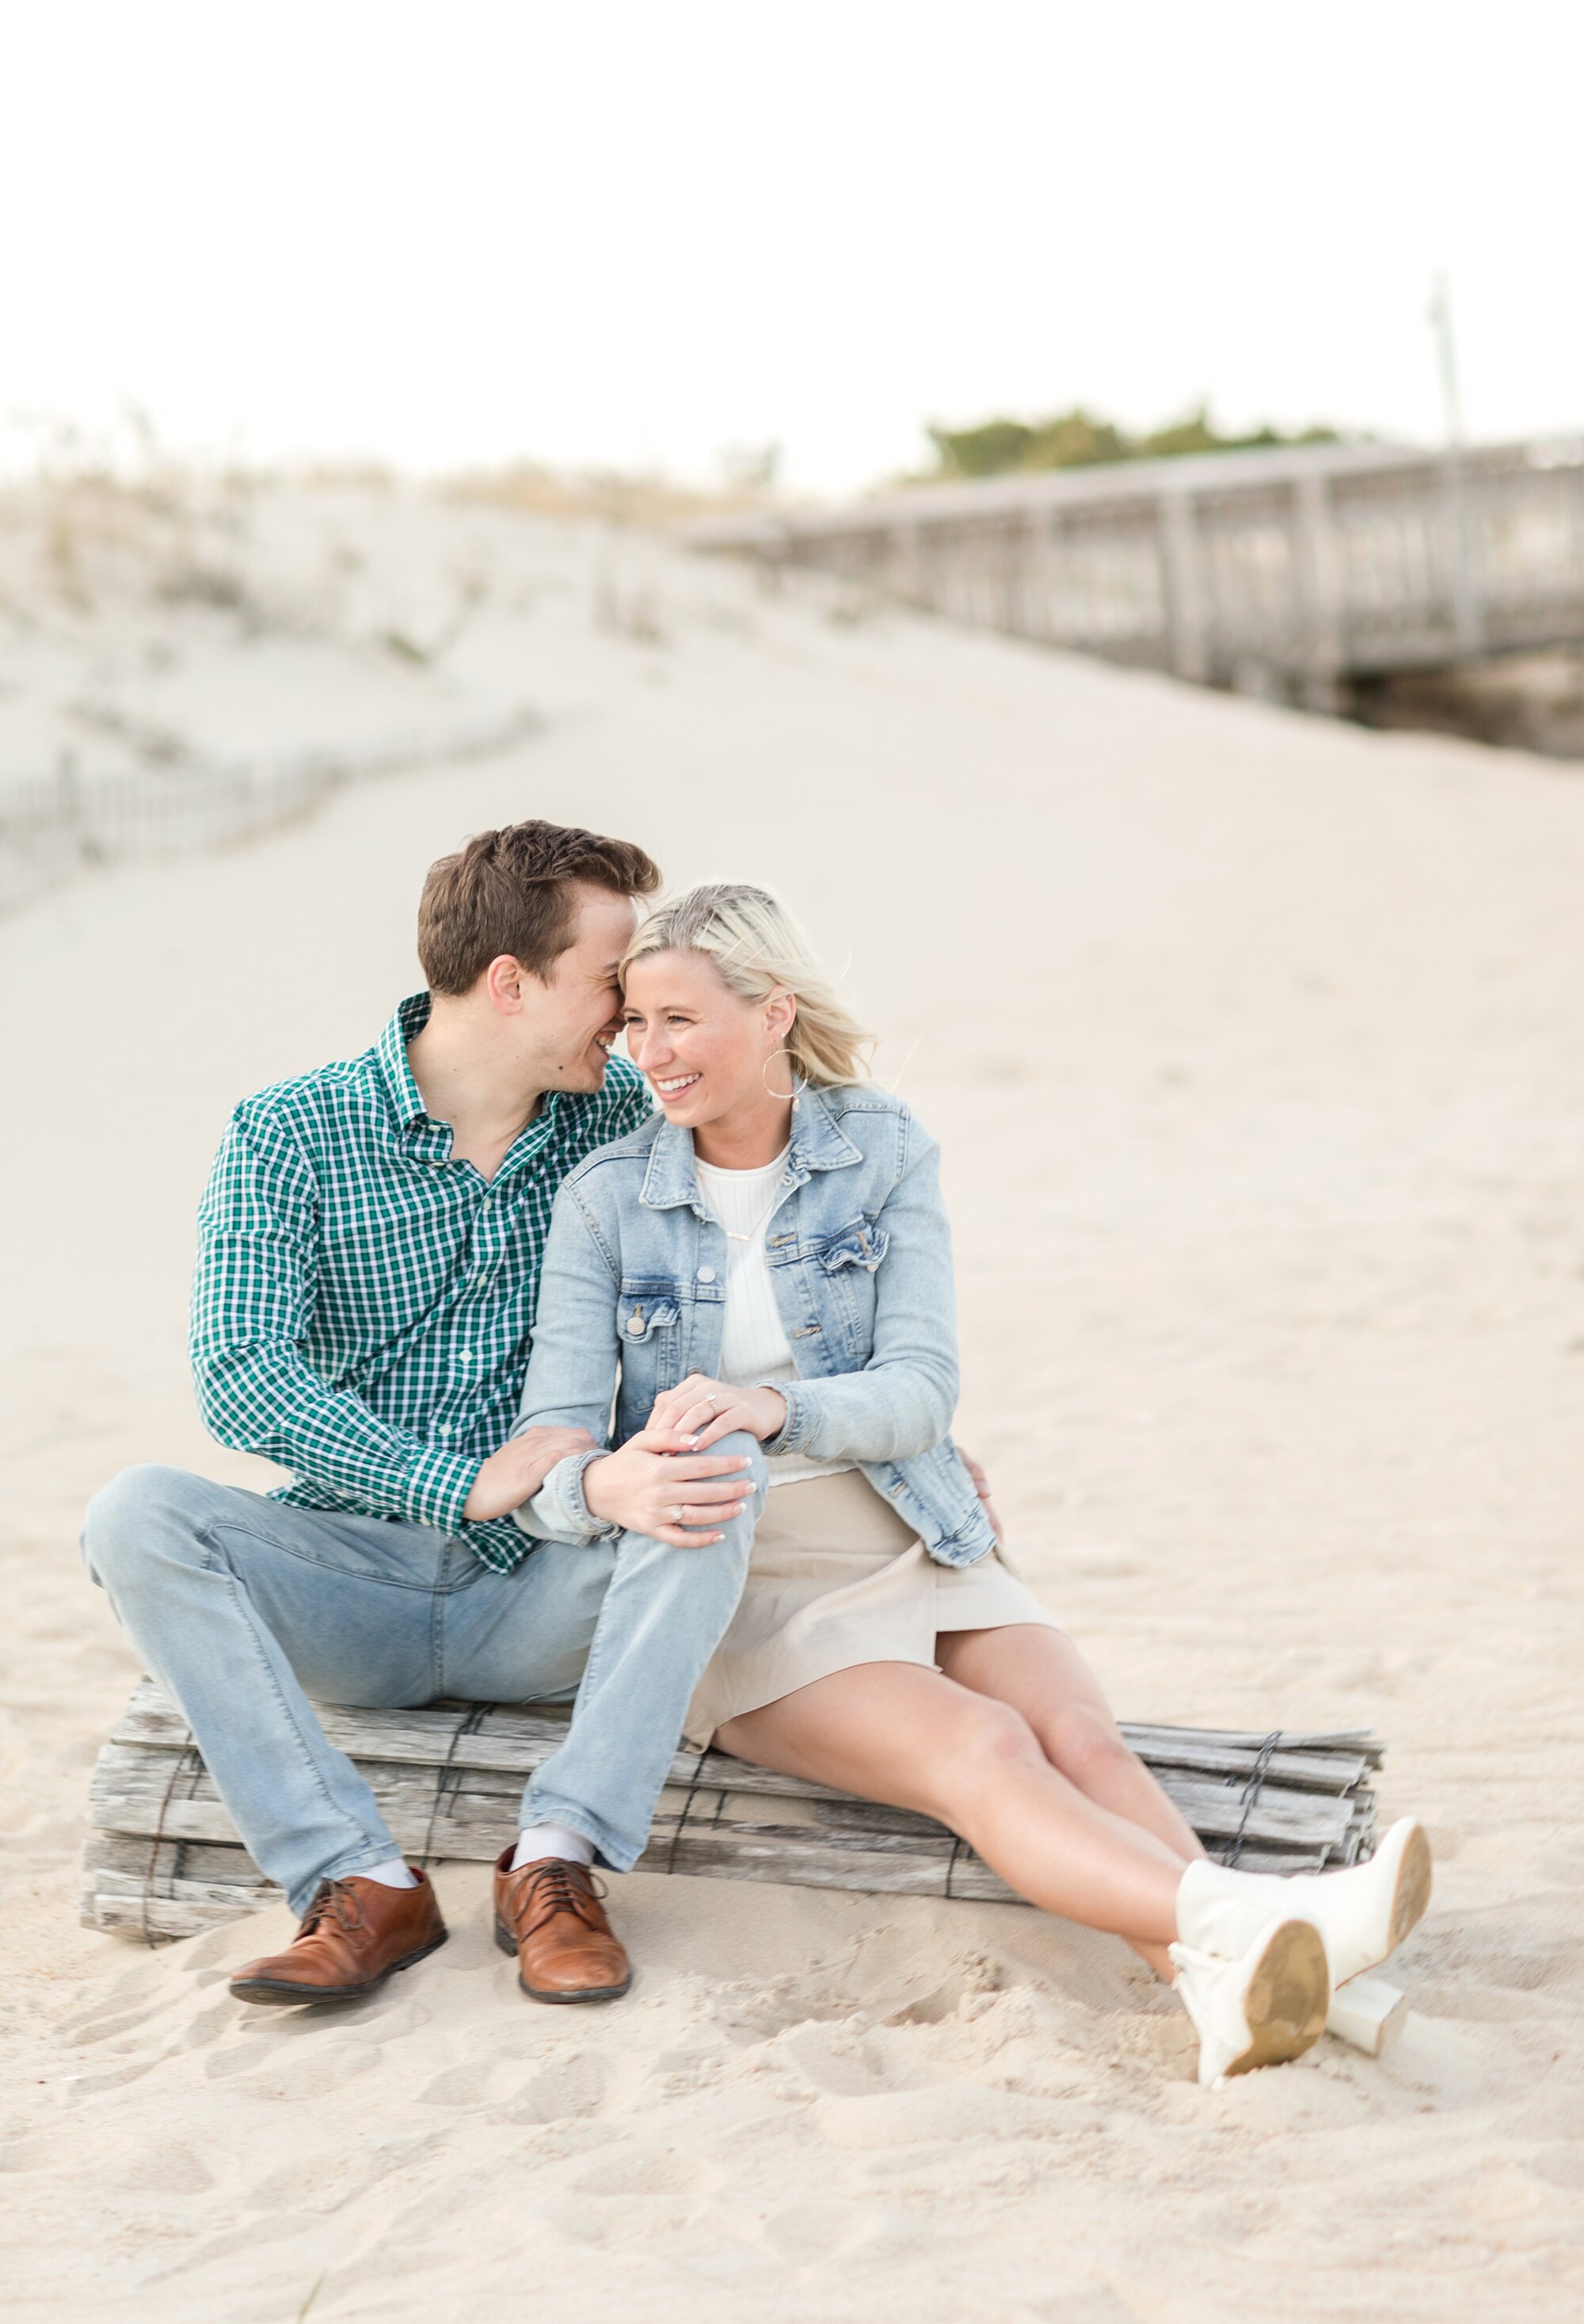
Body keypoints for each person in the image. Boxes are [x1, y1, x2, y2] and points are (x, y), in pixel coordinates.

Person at [511, 883, 1433, 2086]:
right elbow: (551, 1450)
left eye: (678, 1020)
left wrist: (779, 1403)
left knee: (1084, 1741)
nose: (649, 1053)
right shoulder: (604, 1200)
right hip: (744, 1571)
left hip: (914, 1518)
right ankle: (1250, 1926)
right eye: (635, 1023)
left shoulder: (882, 1149)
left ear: (774, 1012)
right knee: (988, 1749)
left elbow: (923, 1388)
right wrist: (608, 1487)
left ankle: (1219, 1990)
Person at [79, 820, 782, 2010]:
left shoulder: (625, 1123)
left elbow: (789, 1265)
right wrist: (451, 1483)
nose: (630, 1014)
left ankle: (558, 1863)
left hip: (557, 1585)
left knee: (721, 1473)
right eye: (611, 982)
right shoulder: (292, 1131)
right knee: (135, 1514)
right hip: (351, 1586)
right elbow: (242, 1372)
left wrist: (886, 1427)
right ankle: (357, 1883)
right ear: (511, 983)